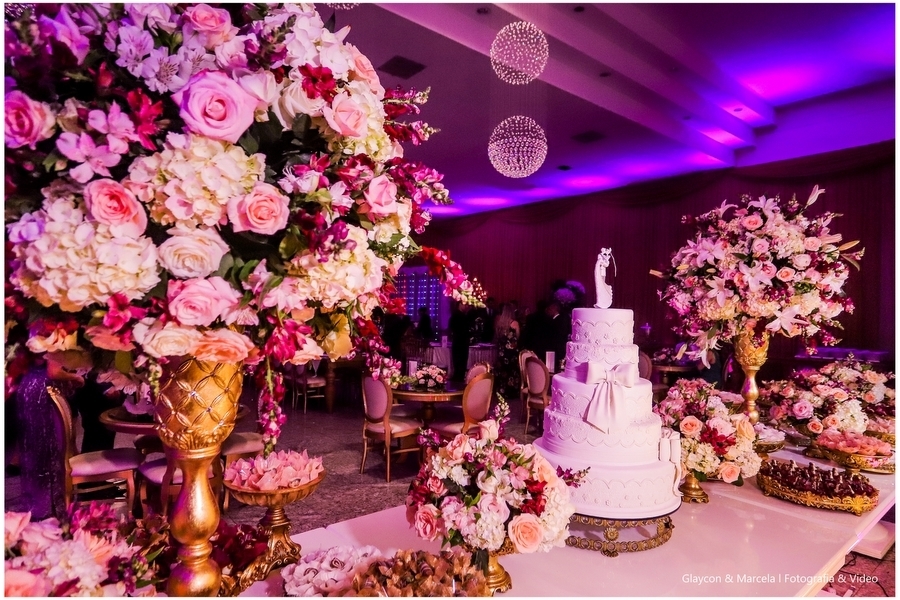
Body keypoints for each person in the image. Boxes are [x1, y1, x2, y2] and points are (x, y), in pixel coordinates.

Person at [492, 304, 521, 401]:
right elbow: (518, 337)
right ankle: (511, 393)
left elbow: (496, 338)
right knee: (511, 372)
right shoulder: (515, 323)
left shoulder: (499, 323)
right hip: (511, 354)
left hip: (501, 353)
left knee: (502, 372)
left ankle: (501, 391)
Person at [448, 302, 472, 382]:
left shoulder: (462, 315)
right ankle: (458, 379)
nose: (466, 306)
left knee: (460, 362)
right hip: (460, 342)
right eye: (464, 305)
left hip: (460, 341)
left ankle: (459, 378)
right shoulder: (457, 316)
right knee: (459, 362)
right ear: (460, 305)